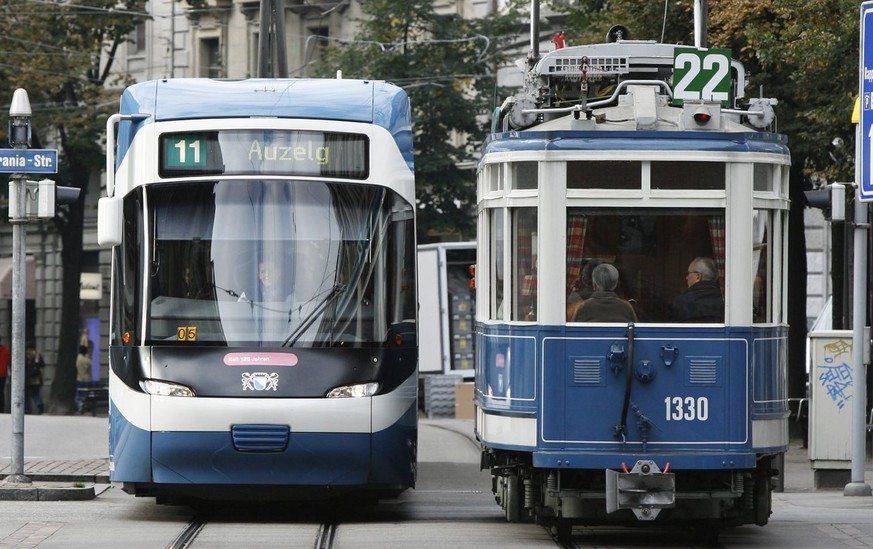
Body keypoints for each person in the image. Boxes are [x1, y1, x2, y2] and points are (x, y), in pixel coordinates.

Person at [670, 257, 725, 322]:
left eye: (688, 273)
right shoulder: (724, 300)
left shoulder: (682, 302)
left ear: (698, 277)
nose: (686, 277)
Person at [25, 342, 45, 414]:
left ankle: (29, 409)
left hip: (30, 378)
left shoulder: (31, 355)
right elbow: (42, 364)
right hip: (35, 378)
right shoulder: (37, 355)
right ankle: (39, 406)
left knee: (31, 394)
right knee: (35, 394)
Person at [76, 345, 91, 414]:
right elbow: (90, 365)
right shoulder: (86, 360)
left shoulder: (78, 358)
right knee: (84, 393)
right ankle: (83, 406)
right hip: (86, 379)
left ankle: (80, 405)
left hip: (79, 378)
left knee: (79, 393)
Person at [0, 337, 9, 413]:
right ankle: (1, 409)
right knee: (1, 392)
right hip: (3, 373)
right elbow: (10, 361)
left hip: (2, 373)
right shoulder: (6, 350)